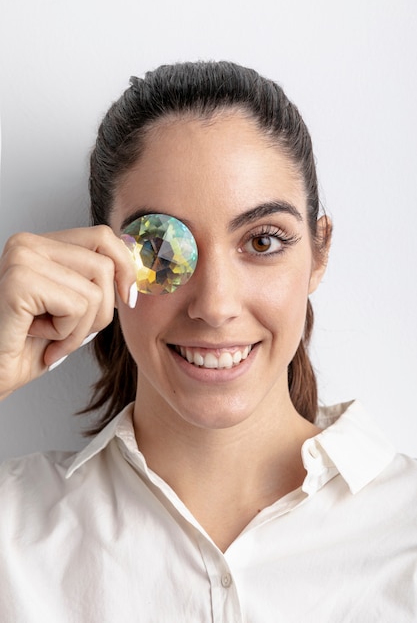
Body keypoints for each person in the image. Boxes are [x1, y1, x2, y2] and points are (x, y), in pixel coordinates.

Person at [0, 61, 415, 622]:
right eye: (158, 250)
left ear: (319, 252)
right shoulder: (14, 534)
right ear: (100, 260)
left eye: (263, 241)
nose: (214, 306)